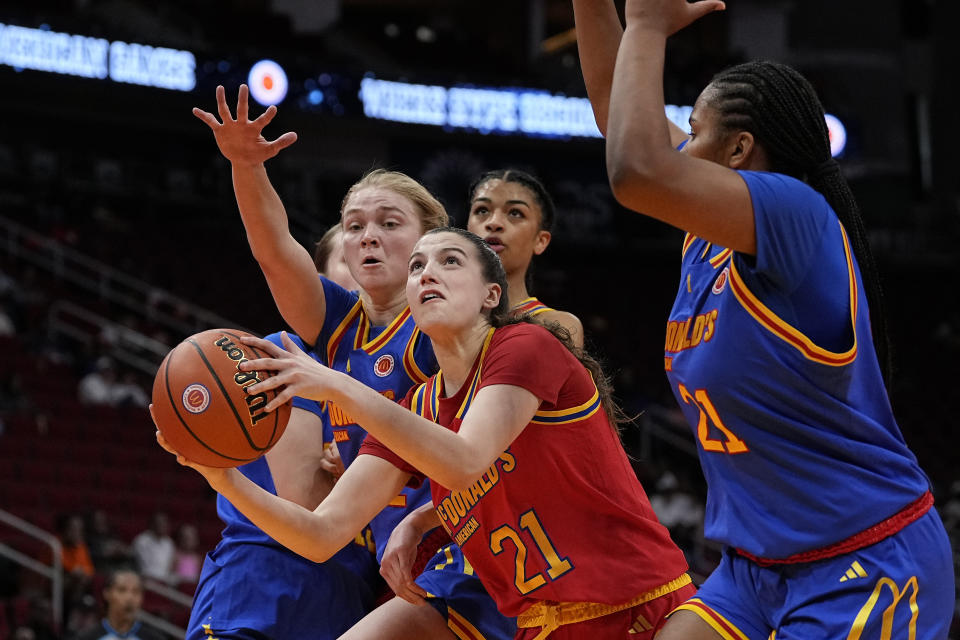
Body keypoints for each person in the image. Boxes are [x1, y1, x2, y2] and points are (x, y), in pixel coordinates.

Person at [574, 0, 955, 637]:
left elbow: (636, 168)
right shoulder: (712, 234)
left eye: (692, 131)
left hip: (864, 558)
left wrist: (647, 26)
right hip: (755, 569)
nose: (680, 142)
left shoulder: (794, 214)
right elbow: (622, 122)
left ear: (739, 151)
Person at [155, 227, 694, 639]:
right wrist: (219, 476)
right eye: (416, 266)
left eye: (449, 261)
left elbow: (465, 460)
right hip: (542, 625)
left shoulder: (526, 346)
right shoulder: (418, 406)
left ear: (490, 295)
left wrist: (337, 386)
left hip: (638, 604)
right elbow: (320, 535)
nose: (426, 272)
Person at [194, 85, 508, 640]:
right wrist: (246, 166)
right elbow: (274, 250)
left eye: (389, 223)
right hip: (391, 567)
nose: (368, 238)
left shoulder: (445, 326)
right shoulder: (339, 324)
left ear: (430, 242)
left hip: (467, 545)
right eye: (356, 225)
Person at [378, 170, 587, 634]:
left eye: (515, 214)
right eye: (482, 211)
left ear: (541, 240)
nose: (494, 223)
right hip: (471, 539)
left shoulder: (552, 329)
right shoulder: (439, 328)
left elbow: (501, 460)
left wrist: (420, 516)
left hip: (544, 543)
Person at [180, 221, 380, 639]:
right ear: (319, 284)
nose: (365, 264)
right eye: (348, 259)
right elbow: (307, 501)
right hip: (267, 577)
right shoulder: (285, 351)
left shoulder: (400, 376)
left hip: (351, 590)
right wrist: (380, 476)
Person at [73, 567, 164, 640]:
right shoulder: (87, 637)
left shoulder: (154, 638)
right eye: (122, 590)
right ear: (107, 593)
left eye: (136, 591)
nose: (130, 598)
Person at [131, 512, 174, 584]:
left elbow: (169, 565)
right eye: (159, 523)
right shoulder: (142, 540)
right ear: (152, 524)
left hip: (165, 580)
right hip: (147, 579)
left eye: (164, 523)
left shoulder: (169, 543)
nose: (162, 526)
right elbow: (142, 565)